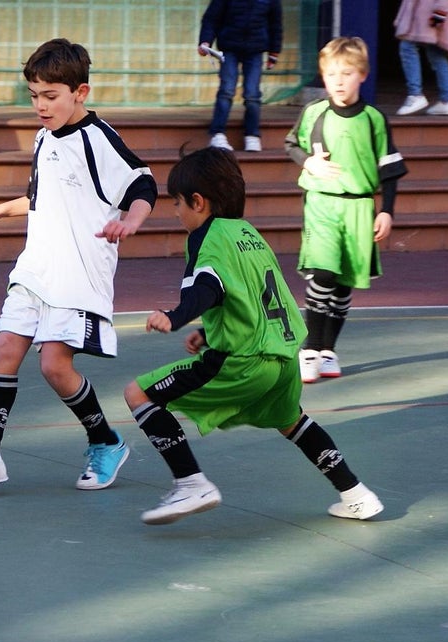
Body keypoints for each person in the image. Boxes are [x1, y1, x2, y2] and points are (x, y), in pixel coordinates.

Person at [0, 39, 157, 494]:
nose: (40, 105)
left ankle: (106, 441)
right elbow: (42, 199)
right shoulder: (43, 138)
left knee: (55, 367)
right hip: (35, 268)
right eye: (34, 95)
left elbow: (143, 182)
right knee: (4, 352)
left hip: (79, 276)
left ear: (81, 92)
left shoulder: (98, 139)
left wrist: (132, 219)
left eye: (50, 95)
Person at [124, 146, 382, 525]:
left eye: (177, 203)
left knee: (138, 393)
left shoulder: (207, 238)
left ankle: (192, 483)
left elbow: (207, 287)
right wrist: (207, 333)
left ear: (198, 202)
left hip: (243, 362)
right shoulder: (248, 234)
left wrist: (175, 316)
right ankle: (356, 494)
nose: (176, 212)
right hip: (283, 359)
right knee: (292, 421)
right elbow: (249, 300)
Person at [284, 37, 408, 383]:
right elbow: (291, 144)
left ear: (362, 75)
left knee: (342, 286)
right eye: (331, 74)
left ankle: (327, 350)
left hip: (360, 208)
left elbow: (391, 168)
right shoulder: (314, 113)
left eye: (347, 73)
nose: (338, 81)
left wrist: (387, 211)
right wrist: (309, 162)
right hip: (322, 204)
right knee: (322, 274)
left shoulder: (374, 119)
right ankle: (309, 349)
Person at [198, 0, 282, 152]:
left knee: (252, 94)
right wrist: (205, 41)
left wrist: (274, 52)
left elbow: (275, 23)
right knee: (226, 90)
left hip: (256, 49)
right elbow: (211, 18)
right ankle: (217, 134)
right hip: (229, 47)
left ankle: (252, 135)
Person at [394, 0, 448, 116]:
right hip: (432, 12)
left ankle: (415, 95)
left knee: (408, 46)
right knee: (436, 53)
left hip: (429, 14)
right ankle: (446, 101)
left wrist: (439, 14)